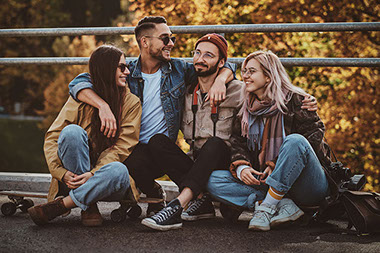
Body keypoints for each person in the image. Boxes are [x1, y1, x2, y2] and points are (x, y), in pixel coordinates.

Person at [140, 37, 318, 231]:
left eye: (209, 55)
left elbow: (310, 143)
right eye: (197, 53)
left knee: (219, 144)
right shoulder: (191, 93)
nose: (200, 59)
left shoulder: (247, 94)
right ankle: (260, 203)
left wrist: (274, 163)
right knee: (161, 144)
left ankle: (179, 205)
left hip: (292, 177)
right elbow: (240, 140)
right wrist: (242, 167)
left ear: (222, 62)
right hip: (210, 167)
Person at [68, 16, 235, 215]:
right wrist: (102, 105)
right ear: (145, 42)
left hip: (163, 154)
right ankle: (152, 192)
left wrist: (221, 80)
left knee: (157, 142)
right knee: (126, 154)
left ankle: (195, 197)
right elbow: (79, 82)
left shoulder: (179, 70)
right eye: (165, 39)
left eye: (172, 38)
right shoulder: (125, 70)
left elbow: (221, 65)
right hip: (131, 152)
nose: (171, 44)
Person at [208, 50, 332, 231]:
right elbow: (237, 143)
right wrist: (242, 168)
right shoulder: (245, 108)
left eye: (252, 71)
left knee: (295, 141)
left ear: (268, 76)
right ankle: (283, 205)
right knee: (213, 180)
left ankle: (265, 208)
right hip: (265, 181)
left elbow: (313, 139)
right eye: (245, 71)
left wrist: (275, 164)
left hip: (307, 184)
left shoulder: (296, 100)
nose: (246, 76)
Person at [28, 45, 142, 227]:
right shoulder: (80, 98)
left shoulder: (132, 103)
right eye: (121, 67)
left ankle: (61, 206)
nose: (127, 72)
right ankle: (88, 205)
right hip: (73, 177)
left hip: (108, 181)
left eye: (127, 66)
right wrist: (61, 173)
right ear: (106, 69)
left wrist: (93, 174)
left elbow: (123, 146)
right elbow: (53, 137)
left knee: (118, 170)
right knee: (71, 132)